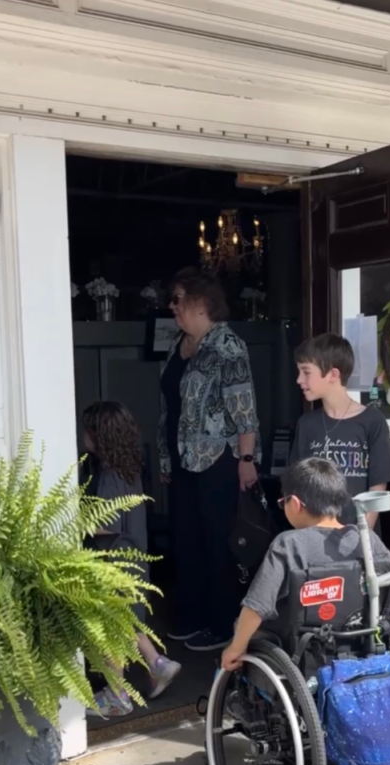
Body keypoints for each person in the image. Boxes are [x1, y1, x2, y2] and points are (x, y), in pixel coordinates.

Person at [221, 458, 390, 671]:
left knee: (240, 633)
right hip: (363, 648)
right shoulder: (368, 540)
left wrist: (234, 649)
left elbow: (256, 606)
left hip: (302, 653)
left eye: (282, 502)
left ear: (294, 503)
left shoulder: (289, 544)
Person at [158, 267, 261, 652]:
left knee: (217, 541)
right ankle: (191, 617)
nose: (173, 306)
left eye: (179, 299)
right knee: (186, 539)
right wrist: (168, 457)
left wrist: (246, 458)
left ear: (201, 303)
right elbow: (170, 406)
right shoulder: (180, 345)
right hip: (183, 458)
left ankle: (222, 625)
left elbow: (244, 407)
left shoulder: (227, 346)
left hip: (219, 459)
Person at [83, 401, 181, 717]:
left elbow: (107, 525)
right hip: (134, 560)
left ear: (99, 436)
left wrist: (78, 522)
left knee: (112, 630)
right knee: (130, 623)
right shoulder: (129, 470)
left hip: (116, 563)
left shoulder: (109, 477)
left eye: (87, 429)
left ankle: (117, 695)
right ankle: (158, 664)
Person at [290, 333, 390, 530]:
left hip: (358, 539)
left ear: (333, 375)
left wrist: (362, 535)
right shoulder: (306, 424)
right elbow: (296, 485)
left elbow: (377, 486)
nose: (299, 380)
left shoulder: (372, 421)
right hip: (315, 538)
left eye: (306, 372)